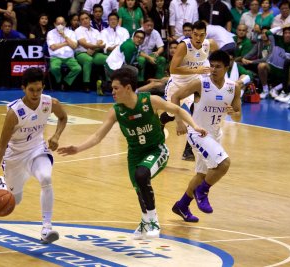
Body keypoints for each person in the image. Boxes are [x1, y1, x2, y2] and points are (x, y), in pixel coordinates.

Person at [57, 68, 207, 240]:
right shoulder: (116, 111)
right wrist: (77, 148)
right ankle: (145, 221)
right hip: (134, 154)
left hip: (156, 150)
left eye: (115, 88)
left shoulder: (150, 101)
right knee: (140, 189)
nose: (112, 91)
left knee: (142, 174)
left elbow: (178, 110)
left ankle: (153, 221)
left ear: (128, 88)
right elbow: (98, 136)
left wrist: (194, 126)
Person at [0, 67, 68, 244]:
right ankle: (2, 182)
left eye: (39, 89)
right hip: (15, 156)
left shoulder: (50, 103)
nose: (35, 94)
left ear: (43, 87)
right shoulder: (14, 112)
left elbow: (63, 117)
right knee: (15, 201)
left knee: (45, 178)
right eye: (31, 90)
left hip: (37, 149)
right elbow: (1, 147)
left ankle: (46, 228)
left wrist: (57, 135)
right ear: (23, 88)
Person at [171, 50, 241, 223]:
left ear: (226, 67)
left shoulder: (233, 87)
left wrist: (233, 113)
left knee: (202, 175)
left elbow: (238, 116)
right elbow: (175, 96)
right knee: (224, 164)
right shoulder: (201, 83)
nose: (214, 69)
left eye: (218, 66)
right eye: (212, 66)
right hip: (197, 132)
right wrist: (179, 121)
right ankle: (202, 192)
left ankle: (182, 205)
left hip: (215, 134)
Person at [161, 20, 218, 161]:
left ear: (206, 34)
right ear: (191, 34)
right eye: (195, 34)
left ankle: (188, 151)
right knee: (173, 115)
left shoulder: (210, 44)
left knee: (196, 115)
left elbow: (221, 60)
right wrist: (197, 69)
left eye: (201, 35)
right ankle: (161, 122)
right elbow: (173, 69)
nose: (198, 38)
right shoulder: (184, 46)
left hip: (193, 83)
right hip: (177, 84)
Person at [46, 16, 82, 90]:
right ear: (54, 24)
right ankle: (59, 80)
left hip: (69, 57)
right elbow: (53, 47)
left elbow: (74, 46)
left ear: (65, 24)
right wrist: (66, 43)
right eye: (58, 24)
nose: (60, 26)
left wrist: (64, 36)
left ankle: (66, 82)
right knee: (54, 68)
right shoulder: (50, 33)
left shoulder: (71, 33)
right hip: (55, 56)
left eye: (62, 23)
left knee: (77, 68)